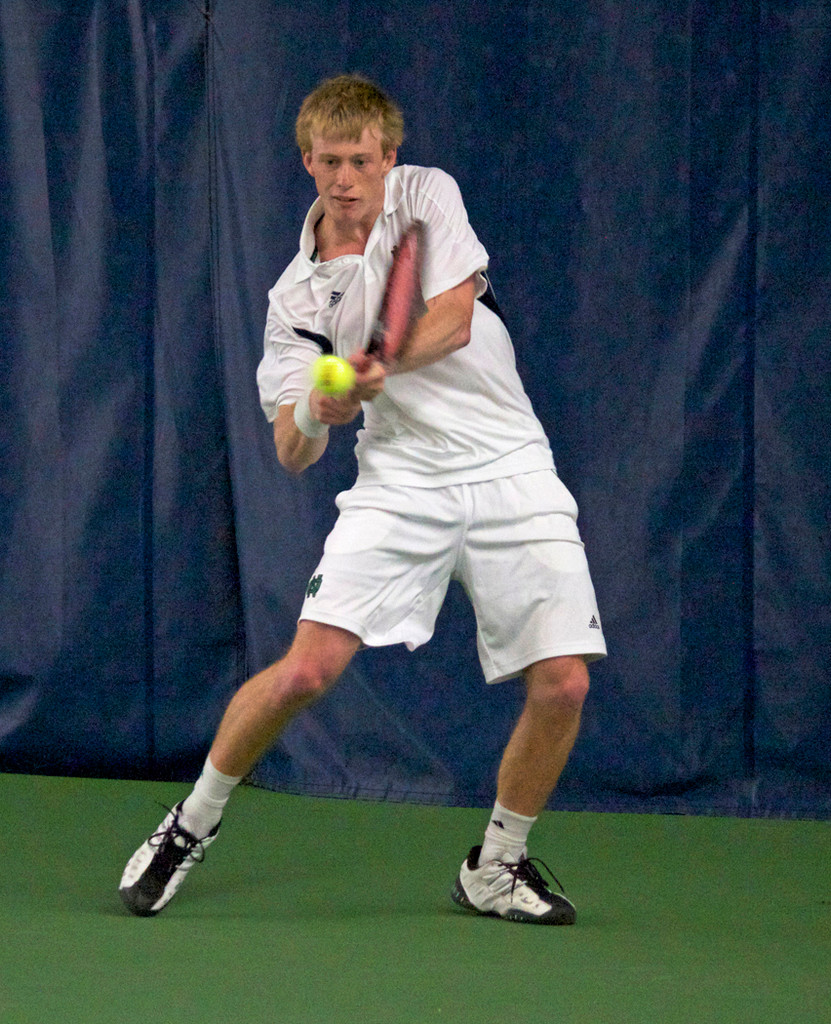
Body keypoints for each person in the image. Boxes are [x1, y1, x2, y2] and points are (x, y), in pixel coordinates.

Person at [119, 74, 606, 925]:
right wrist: (319, 403)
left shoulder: (425, 196)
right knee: (306, 670)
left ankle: (495, 865)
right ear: (306, 163)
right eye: (329, 161)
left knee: (563, 682)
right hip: (400, 480)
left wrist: (374, 365)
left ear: (388, 158)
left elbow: (454, 319)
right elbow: (293, 449)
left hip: (511, 467)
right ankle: (189, 823)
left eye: (360, 160)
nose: (346, 178)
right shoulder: (294, 301)